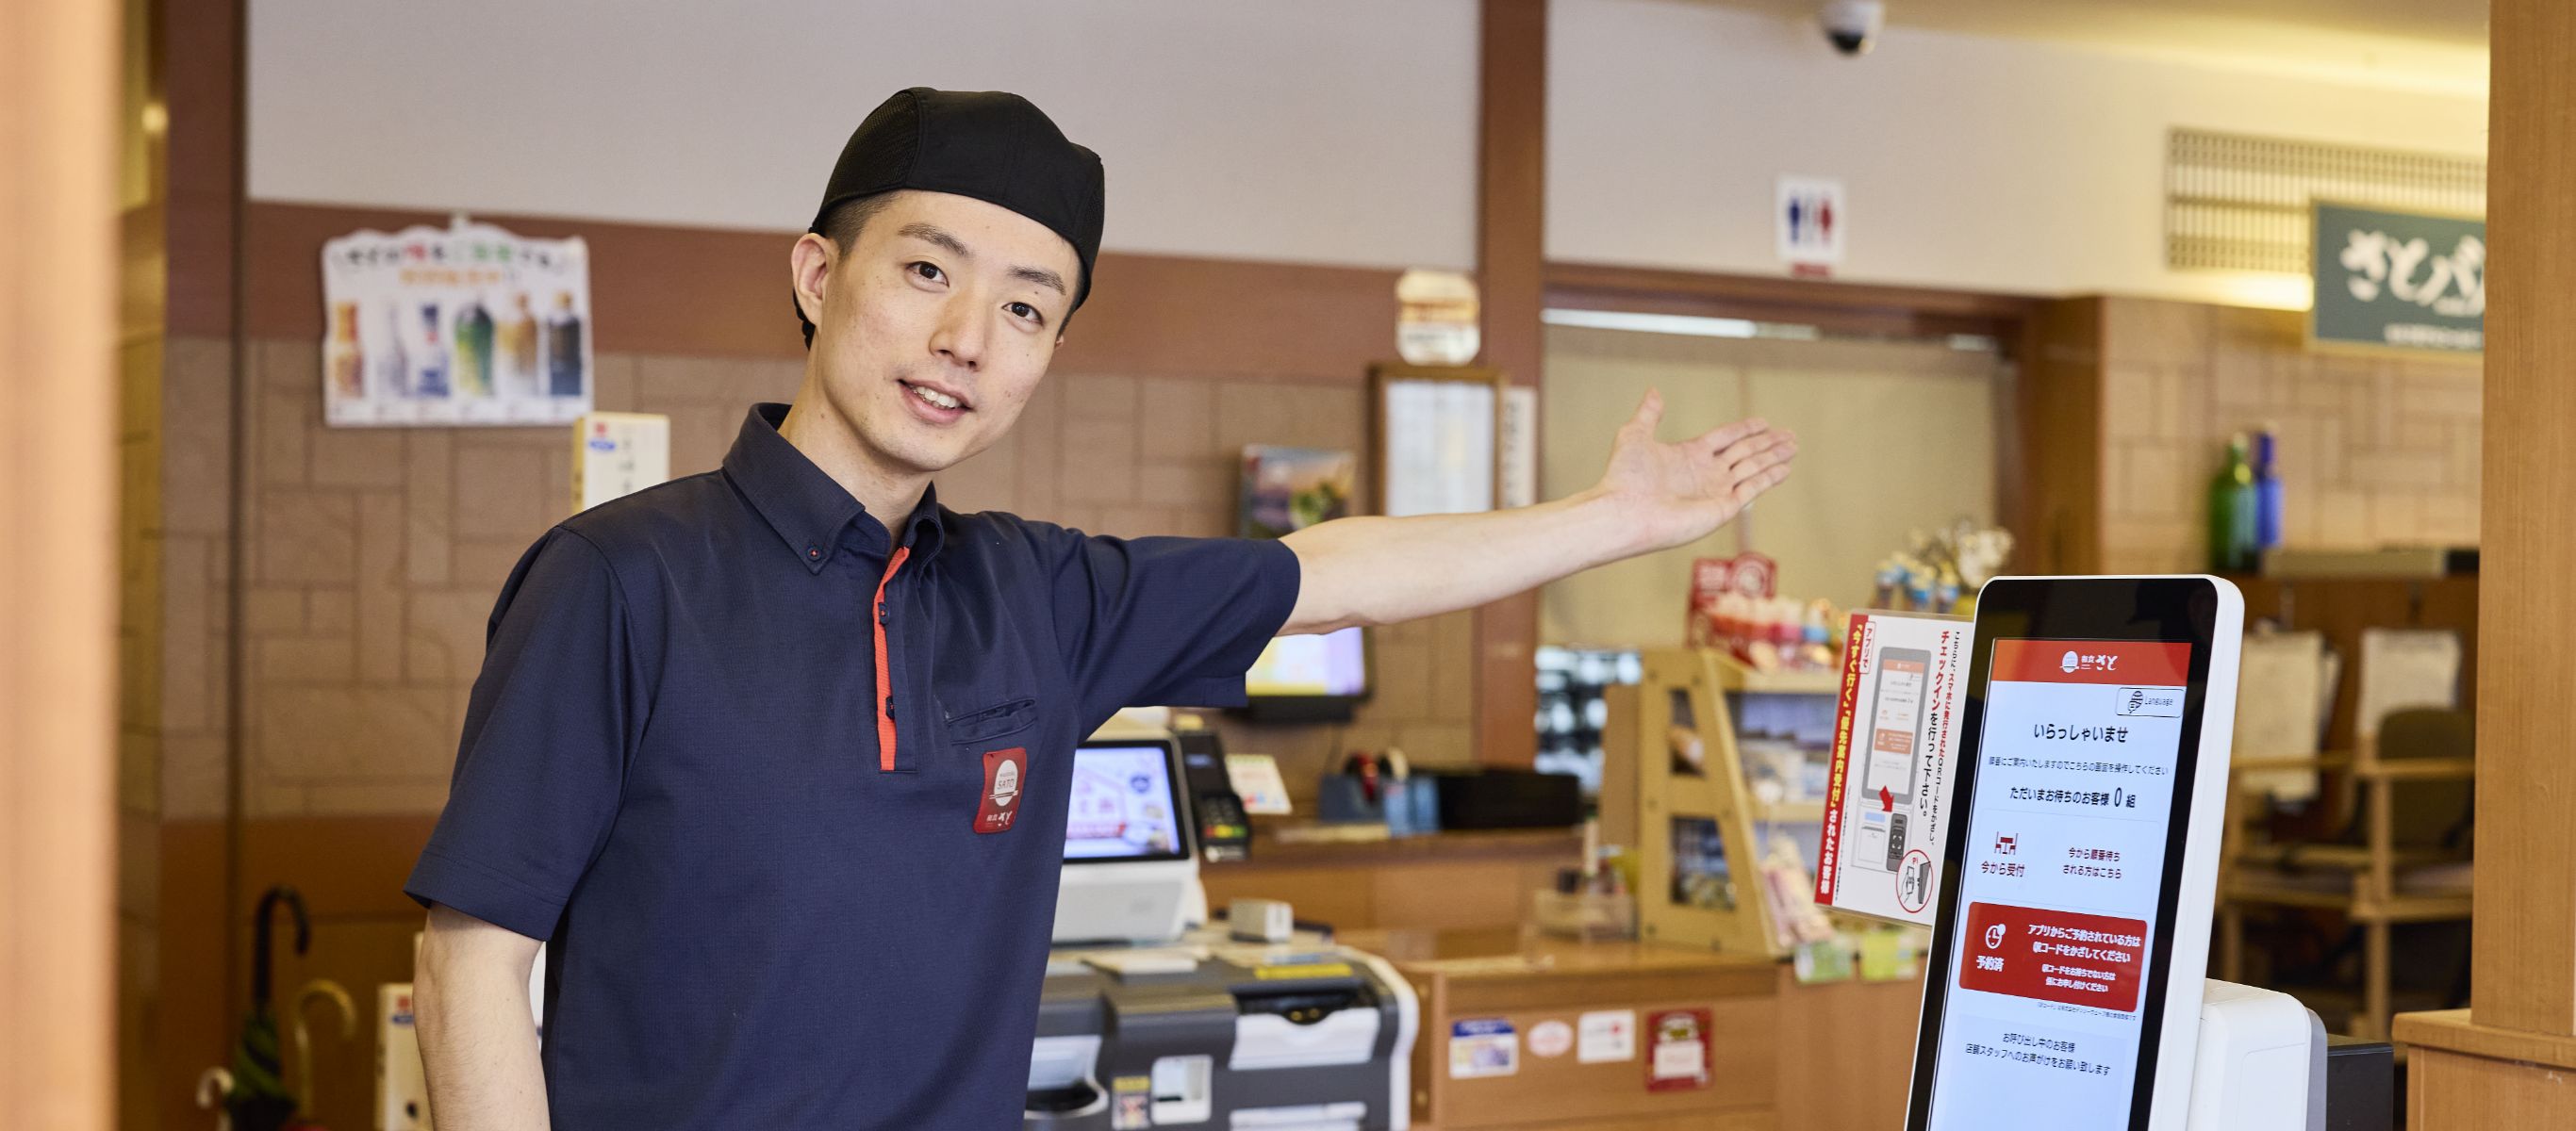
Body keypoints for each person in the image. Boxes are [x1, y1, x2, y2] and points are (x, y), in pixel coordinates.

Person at [407, 88, 1796, 1131]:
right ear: (820, 278)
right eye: (928, 271)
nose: (967, 340)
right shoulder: (619, 579)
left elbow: (1336, 574)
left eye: (1027, 310)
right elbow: (473, 957)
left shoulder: (1040, 597)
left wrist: (1612, 520)